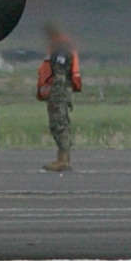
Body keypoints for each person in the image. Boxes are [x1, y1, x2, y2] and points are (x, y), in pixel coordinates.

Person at [33, 27, 83, 173]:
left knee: (59, 124)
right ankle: (63, 158)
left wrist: (55, 95)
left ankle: (63, 160)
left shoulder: (61, 51)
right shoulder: (61, 49)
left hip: (58, 94)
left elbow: (60, 75)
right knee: (60, 124)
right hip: (59, 94)